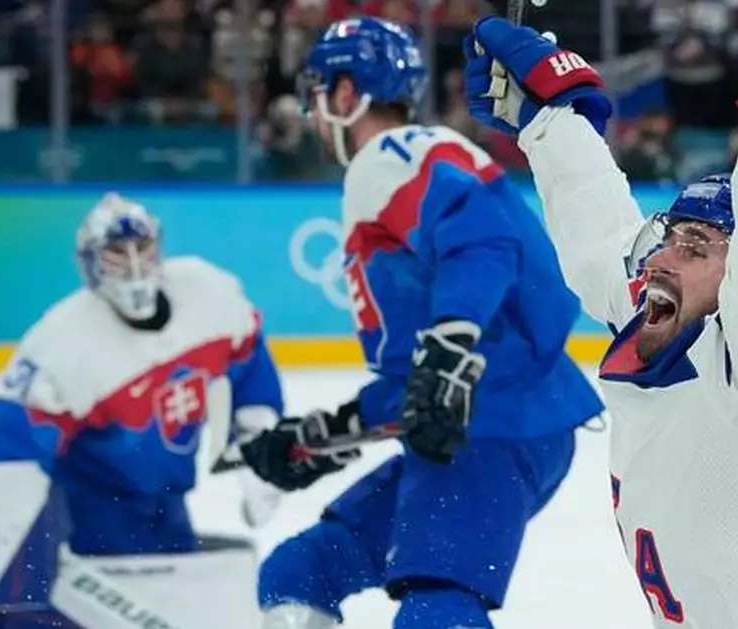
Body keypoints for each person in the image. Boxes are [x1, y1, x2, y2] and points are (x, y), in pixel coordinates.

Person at [460, 2, 738, 627]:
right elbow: (601, 239)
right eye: (670, 237)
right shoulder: (666, 315)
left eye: (697, 247)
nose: (661, 259)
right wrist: (547, 123)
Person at [238, 16, 605, 629]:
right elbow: (424, 382)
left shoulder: (389, 157)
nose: (315, 113)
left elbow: (482, 242)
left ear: (347, 94)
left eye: (319, 93)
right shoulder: (410, 164)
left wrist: (451, 346)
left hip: (498, 422)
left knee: (437, 607)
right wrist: (323, 435)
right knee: (299, 571)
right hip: (483, 422)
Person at [0, 193, 285, 629]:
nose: (133, 265)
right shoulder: (64, 343)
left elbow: (249, 362)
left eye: (142, 248)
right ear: (91, 264)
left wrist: (256, 445)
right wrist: (20, 549)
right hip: (91, 507)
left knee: (176, 603)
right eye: (116, 254)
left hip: (166, 499)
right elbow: (3, 446)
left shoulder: (207, 294)